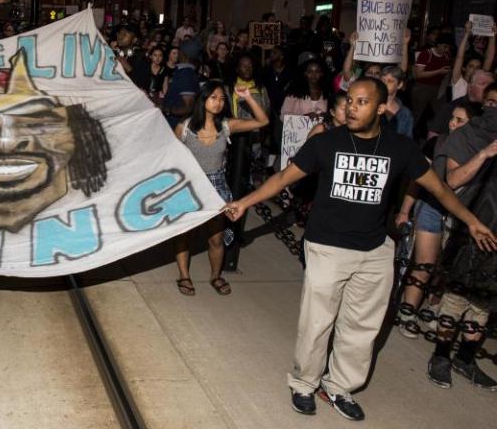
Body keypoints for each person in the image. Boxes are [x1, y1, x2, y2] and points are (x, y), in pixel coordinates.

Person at [223, 78, 495, 421]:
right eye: (349, 100)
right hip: (326, 246)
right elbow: (283, 178)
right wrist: (245, 202)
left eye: (362, 102)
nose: (352, 107)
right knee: (317, 323)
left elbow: (439, 189)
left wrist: (471, 221)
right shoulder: (326, 143)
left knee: (362, 327)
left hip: (374, 249)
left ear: (382, 107)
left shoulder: (401, 147)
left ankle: (339, 386)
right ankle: (305, 383)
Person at [426, 91, 497, 390]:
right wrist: (485, 154)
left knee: (484, 303)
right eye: (492, 103)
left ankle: (465, 359)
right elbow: (452, 181)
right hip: (469, 226)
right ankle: (441, 356)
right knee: (456, 296)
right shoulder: (470, 135)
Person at [174, 80, 269, 296]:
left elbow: (262, 121)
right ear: (203, 99)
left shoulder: (226, 126)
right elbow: (170, 158)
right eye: (213, 97)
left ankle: (215, 276)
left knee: (216, 237)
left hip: (216, 186)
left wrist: (247, 97)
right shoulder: (185, 127)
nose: (218, 103)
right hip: (189, 186)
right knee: (184, 235)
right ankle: (184, 275)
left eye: (222, 98)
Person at [395, 101, 480, 338]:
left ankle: (433, 307)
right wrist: (404, 210)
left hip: (461, 214)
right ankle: (408, 311)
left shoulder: (480, 151)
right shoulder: (438, 142)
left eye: (460, 120)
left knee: (447, 269)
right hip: (431, 208)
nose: (453, 123)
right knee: (425, 264)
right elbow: (416, 180)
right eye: (452, 118)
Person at [380, 65, 413, 137]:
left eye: (390, 81)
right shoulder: (370, 104)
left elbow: (407, 140)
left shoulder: (405, 113)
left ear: (399, 85)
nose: (384, 84)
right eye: (383, 80)